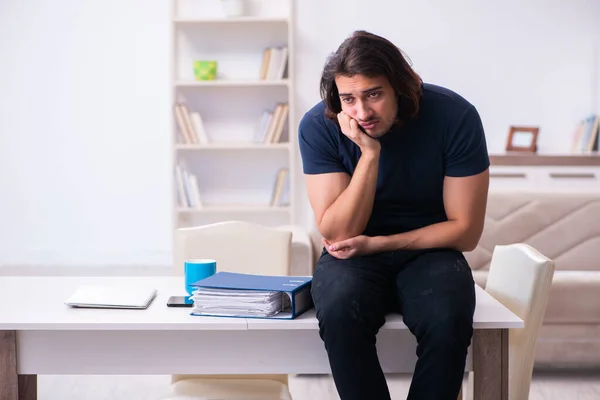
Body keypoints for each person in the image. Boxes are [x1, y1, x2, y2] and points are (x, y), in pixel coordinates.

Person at [297, 30, 490, 400]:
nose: (362, 113)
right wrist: (370, 155)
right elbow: (338, 232)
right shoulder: (319, 126)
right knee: (338, 313)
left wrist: (380, 243)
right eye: (348, 99)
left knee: (448, 317)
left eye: (374, 94)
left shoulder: (455, 116)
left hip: (432, 250)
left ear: (402, 86)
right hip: (351, 251)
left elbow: (465, 232)